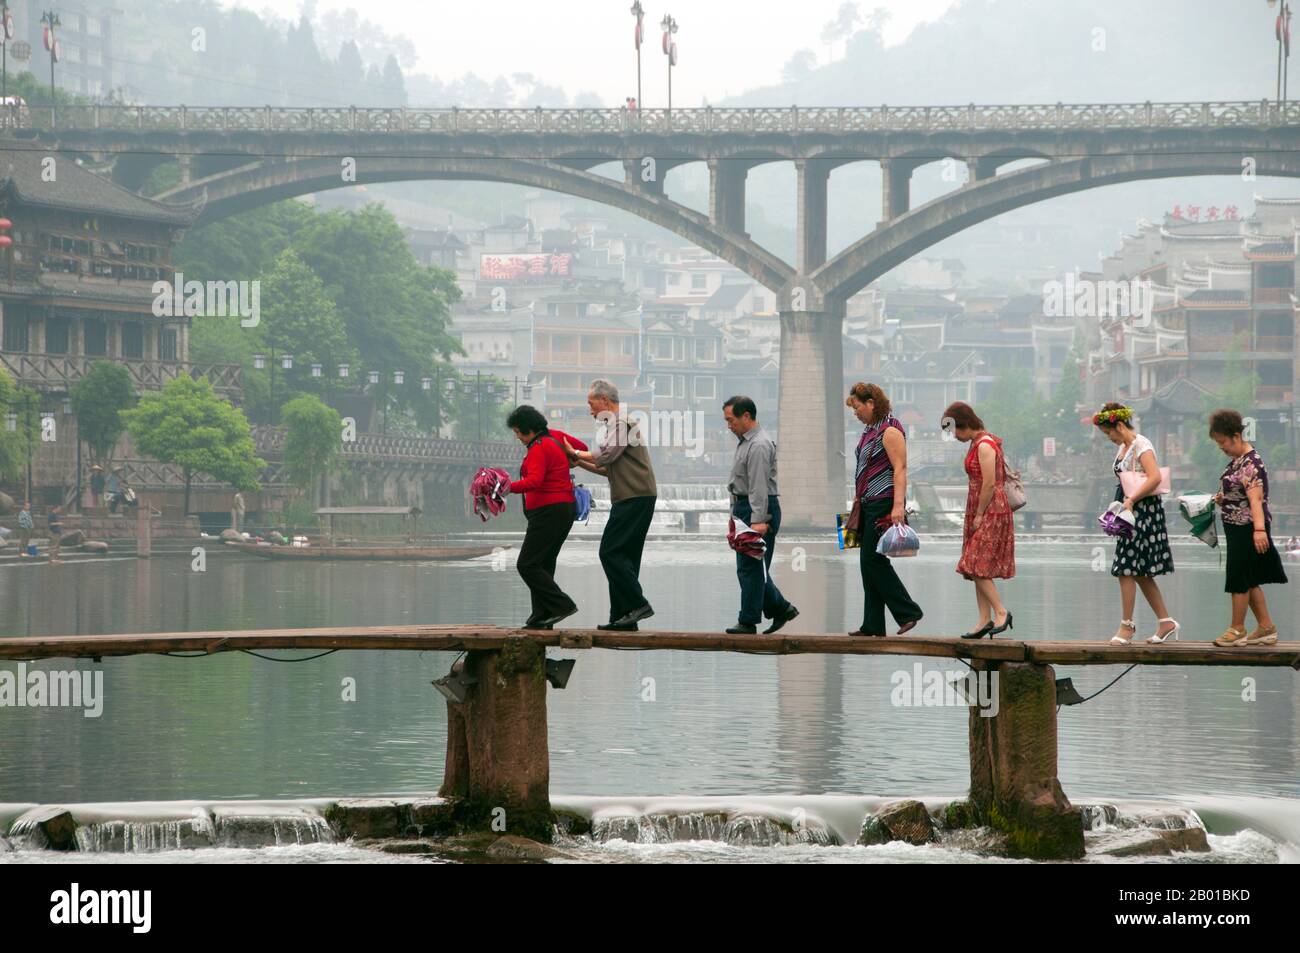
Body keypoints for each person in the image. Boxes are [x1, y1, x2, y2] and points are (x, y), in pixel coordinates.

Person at [565, 379, 658, 631]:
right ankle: (623, 616)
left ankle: (637, 604)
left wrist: (574, 453)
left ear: (604, 400)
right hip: (636, 495)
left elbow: (606, 455)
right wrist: (579, 463)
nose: (590, 408)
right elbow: (608, 468)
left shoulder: (622, 422)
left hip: (634, 497)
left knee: (609, 551)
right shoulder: (618, 425)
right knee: (625, 556)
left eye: (591, 403)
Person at [1093, 403, 1178, 644]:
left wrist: (1131, 499)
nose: (1108, 437)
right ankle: (1165, 622)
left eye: (1109, 432)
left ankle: (1127, 625)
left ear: (1119, 425)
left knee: (1125, 568)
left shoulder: (1142, 445)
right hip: (1129, 509)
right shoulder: (1124, 446)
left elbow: (1155, 477)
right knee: (1138, 572)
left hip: (1143, 511)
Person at [845, 382, 923, 636]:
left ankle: (908, 612)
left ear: (871, 403)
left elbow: (900, 468)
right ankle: (873, 625)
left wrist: (898, 506)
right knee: (867, 563)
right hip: (866, 503)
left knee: (873, 560)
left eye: (857, 406)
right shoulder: (870, 430)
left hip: (882, 502)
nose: (855, 412)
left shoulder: (889, 431)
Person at [1208, 409, 1286, 646]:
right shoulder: (1237, 462)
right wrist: (1224, 498)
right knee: (1249, 580)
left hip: (1247, 527)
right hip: (1235, 526)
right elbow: (1238, 492)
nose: (1221, 447)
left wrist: (1259, 531)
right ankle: (1265, 627)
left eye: (1223, 442)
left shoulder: (1252, 463)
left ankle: (1237, 629)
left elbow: (1255, 500)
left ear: (1235, 436)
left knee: (1238, 578)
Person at [505, 405, 588, 629]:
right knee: (543, 564)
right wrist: (569, 458)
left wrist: (506, 487)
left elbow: (534, 481)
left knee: (527, 564)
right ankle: (541, 616)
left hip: (548, 511)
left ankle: (562, 605)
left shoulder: (538, 448)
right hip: (563, 509)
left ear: (529, 430)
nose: (518, 437)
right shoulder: (557, 437)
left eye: (518, 432)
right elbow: (581, 448)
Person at [723, 395, 798, 635]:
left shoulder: (758, 445)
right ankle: (781, 608)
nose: (728, 425)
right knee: (753, 567)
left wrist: (758, 520)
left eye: (731, 420)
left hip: (757, 509)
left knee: (751, 568)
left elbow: (758, 486)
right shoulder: (746, 442)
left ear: (746, 416)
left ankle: (748, 621)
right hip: (745, 509)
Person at [942, 401, 1015, 638]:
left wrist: (980, 513)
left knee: (974, 564)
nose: (954, 437)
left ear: (964, 425)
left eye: (954, 431)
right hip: (978, 507)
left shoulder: (985, 445)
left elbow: (990, 483)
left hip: (991, 509)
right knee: (976, 568)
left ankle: (1001, 612)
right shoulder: (977, 442)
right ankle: (984, 620)